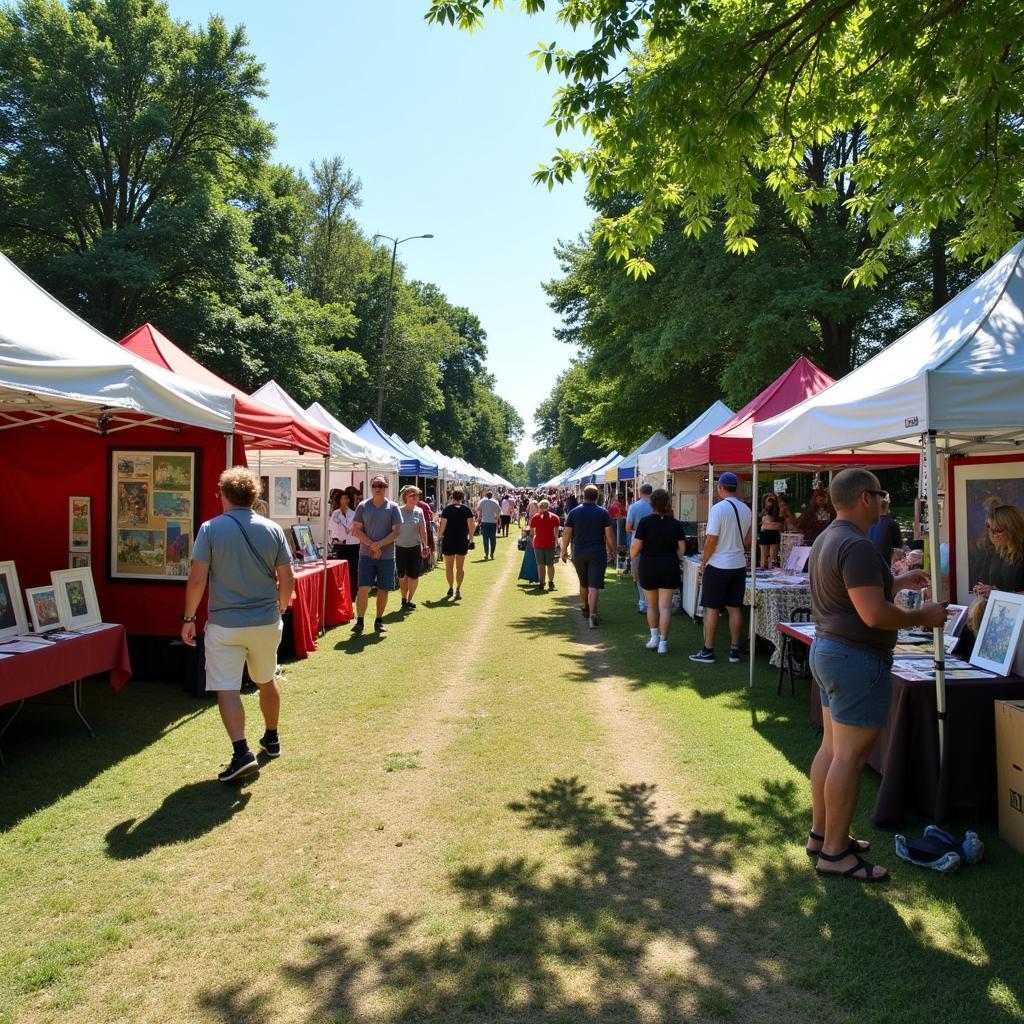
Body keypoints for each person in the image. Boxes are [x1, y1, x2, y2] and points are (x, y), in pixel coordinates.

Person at [806, 468, 946, 882]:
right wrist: (925, 616)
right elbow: (873, 614)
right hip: (854, 659)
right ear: (866, 498)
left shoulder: (829, 538)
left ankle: (823, 835)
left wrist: (895, 579)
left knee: (833, 750)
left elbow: (852, 593)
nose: (886, 502)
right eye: (882, 495)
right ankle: (835, 853)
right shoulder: (858, 545)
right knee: (848, 757)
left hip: (829, 651)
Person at [181, 467, 293, 782]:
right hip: (265, 620)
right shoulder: (272, 529)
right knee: (266, 679)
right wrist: (281, 606)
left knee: (227, 687)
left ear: (225, 495)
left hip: (225, 623)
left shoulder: (210, 529)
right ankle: (271, 737)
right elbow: (287, 578)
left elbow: (197, 579)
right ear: (253, 495)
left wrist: (189, 618)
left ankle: (241, 751)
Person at [690, 472, 752, 664]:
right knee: (735, 608)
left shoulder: (718, 509)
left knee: (712, 608)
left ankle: (708, 649)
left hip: (718, 564)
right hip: (738, 564)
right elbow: (748, 542)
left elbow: (711, 540)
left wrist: (703, 561)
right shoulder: (747, 510)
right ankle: (734, 650)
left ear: (720, 487)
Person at [631, 487, 687, 654]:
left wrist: (633, 552)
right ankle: (663, 642)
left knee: (651, 605)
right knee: (665, 607)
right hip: (669, 566)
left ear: (652, 503)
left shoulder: (645, 522)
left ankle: (654, 637)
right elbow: (682, 550)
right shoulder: (675, 523)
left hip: (649, 566)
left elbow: (635, 548)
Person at [351, 475, 403, 634]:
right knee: (363, 588)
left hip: (386, 556)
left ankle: (379, 620)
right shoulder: (363, 506)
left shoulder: (393, 507)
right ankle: (360, 621)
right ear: (371, 487)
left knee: (383, 589)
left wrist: (378, 545)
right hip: (366, 555)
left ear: (386, 488)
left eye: (381, 485)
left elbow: (397, 533)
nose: (378, 488)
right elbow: (356, 530)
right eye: (375, 485)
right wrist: (371, 545)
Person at [561, 483, 616, 629]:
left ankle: (586, 606)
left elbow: (566, 533)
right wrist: (613, 551)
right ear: (597, 497)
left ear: (583, 496)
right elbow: (609, 535)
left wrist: (563, 550)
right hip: (597, 552)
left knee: (583, 584)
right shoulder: (603, 513)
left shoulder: (574, 512)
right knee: (594, 586)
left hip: (578, 552)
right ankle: (593, 613)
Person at [967, 504, 1024, 634]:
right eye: (989, 528)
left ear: (1013, 529)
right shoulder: (993, 552)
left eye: (998, 530)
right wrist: (981, 589)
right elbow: (984, 580)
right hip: (999, 618)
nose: (992, 534)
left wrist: (997, 594)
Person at [395, 485, 430, 610]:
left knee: (414, 576)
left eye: (417, 495)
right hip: (400, 548)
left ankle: (409, 600)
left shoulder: (419, 511)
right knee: (402, 576)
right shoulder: (398, 510)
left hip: (415, 548)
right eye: (412, 495)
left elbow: (423, 530)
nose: (415, 497)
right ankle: (403, 598)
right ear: (406, 497)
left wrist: (425, 545)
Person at [438, 488, 475, 598]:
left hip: (448, 540)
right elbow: (471, 527)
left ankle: (450, 587)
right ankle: (458, 588)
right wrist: (471, 540)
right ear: (462, 498)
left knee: (449, 567)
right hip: (462, 540)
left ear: (452, 497)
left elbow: (442, 525)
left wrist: (439, 537)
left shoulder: (447, 510)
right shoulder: (467, 510)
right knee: (460, 567)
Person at [626, 482, 654, 613]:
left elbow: (628, 527)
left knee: (637, 571)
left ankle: (643, 601)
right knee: (651, 570)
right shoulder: (656, 506)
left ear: (640, 492)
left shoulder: (634, 507)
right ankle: (650, 602)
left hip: (637, 541)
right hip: (654, 542)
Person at [329, 489, 360, 592]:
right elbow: (332, 528)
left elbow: (352, 528)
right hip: (340, 545)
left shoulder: (353, 513)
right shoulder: (335, 513)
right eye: (342, 498)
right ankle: (340, 592)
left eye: (346, 498)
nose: (344, 500)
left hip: (353, 545)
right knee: (340, 571)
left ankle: (353, 593)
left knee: (353, 570)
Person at [529, 498, 561, 590]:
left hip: (538, 543)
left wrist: (532, 540)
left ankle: (541, 583)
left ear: (539, 507)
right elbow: (556, 533)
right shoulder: (555, 518)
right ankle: (551, 583)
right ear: (549, 507)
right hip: (550, 543)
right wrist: (556, 542)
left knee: (540, 565)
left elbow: (532, 533)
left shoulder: (535, 517)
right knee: (550, 564)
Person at [866, 497, 902, 566]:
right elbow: (898, 551)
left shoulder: (866, 523)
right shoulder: (892, 524)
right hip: (884, 565)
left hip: (867, 562)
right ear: (887, 506)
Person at [758, 492, 785, 569]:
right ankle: (763, 567)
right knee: (763, 556)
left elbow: (781, 523)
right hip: (765, 533)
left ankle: (770, 568)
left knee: (773, 558)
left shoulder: (778, 511)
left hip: (774, 533)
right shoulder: (763, 512)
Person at [477, 490, 501, 559]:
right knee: (493, 539)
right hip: (493, 522)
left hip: (484, 521)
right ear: (492, 495)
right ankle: (492, 553)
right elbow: (499, 510)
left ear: (486, 495)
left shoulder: (482, 502)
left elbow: (479, 510)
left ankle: (486, 554)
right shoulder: (495, 502)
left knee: (485, 539)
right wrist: (496, 516)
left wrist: (479, 519)